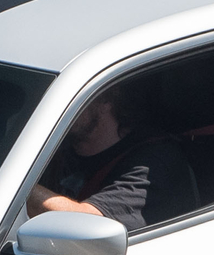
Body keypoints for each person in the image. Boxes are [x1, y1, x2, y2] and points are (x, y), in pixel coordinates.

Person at [28, 88, 197, 230]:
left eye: (67, 97)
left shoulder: (154, 163)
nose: (53, 108)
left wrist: (15, 187)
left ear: (105, 101)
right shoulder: (51, 148)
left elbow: (86, 226)